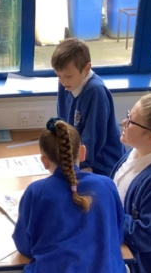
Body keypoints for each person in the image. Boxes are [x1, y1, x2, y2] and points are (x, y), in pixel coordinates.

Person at [12, 117, 128, 273]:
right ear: (82, 152)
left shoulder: (36, 191)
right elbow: (118, 234)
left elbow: (24, 246)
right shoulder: (106, 185)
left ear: (43, 161)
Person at [110, 93, 151, 273]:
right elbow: (114, 186)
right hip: (118, 238)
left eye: (131, 121)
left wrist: (109, 216)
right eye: (128, 114)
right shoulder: (135, 152)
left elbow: (147, 235)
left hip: (139, 263)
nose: (124, 122)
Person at [51, 37, 125, 176]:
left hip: (102, 165)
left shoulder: (96, 91)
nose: (63, 81)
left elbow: (92, 139)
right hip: (77, 159)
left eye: (68, 76)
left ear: (86, 68)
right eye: (58, 75)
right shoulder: (66, 82)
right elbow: (63, 124)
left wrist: (74, 166)